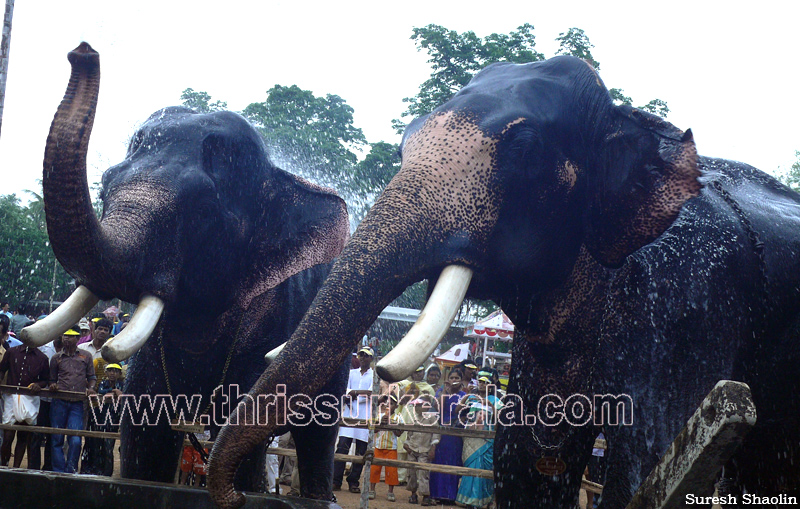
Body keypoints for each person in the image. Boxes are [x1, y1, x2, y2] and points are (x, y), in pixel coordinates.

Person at [49, 327, 97, 473]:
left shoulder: (86, 356)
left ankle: (71, 469)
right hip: (59, 401)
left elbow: (92, 377)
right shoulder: (56, 358)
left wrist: (91, 388)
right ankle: (59, 470)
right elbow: (52, 379)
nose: (67, 339)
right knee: (57, 438)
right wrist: (53, 385)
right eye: (65, 336)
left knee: (75, 440)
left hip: (77, 402)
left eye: (70, 336)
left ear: (77, 339)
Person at [0, 340, 50, 467]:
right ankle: (4, 465)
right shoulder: (12, 352)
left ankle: (16, 468)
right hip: (11, 397)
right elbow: (1, 370)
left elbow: (45, 380)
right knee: (8, 436)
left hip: (29, 399)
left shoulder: (42, 358)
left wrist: (38, 385)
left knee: (23, 436)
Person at [332, 346, 374, 493]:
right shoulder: (351, 373)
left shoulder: (374, 376)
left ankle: (353, 481)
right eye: (361, 355)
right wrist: (355, 393)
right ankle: (336, 480)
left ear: (371, 359)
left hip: (364, 416)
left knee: (360, 452)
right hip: (349, 415)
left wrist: (354, 393)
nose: (362, 357)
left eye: (366, 355)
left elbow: (371, 393)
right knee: (342, 448)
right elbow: (344, 391)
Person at [429, 367, 466, 504]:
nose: (454, 380)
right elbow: (438, 408)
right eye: (452, 378)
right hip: (441, 433)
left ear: (461, 380)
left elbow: (460, 412)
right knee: (438, 461)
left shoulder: (464, 395)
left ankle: (450, 495)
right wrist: (445, 392)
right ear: (448, 380)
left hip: (455, 434)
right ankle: (436, 494)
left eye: (457, 378)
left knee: (453, 462)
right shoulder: (441, 392)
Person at [455, 408, 495, 508]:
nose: (482, 416)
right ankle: (469, 501)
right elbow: (466, 438)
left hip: (484, 456)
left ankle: (482, 501)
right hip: (471, 455)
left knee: (483, 476)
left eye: (484, 414)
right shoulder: (469, 426)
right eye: (480, 413)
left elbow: (491, 441)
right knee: (470, 475)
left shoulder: (490, 428)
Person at [404, 395, 439, 506]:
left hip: (424, 449)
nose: (416, 408)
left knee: (423, 473)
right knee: (411, 472)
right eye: (415, 406)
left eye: (418, 406)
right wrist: (407, 444)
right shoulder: (414, 418)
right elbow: (409, 434)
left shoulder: (431, 418)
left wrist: (433, 447)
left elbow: (436, 434)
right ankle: (413, 494)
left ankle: (425, 496)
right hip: (413, 448)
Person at [369, 393, 404, 502]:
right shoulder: (378, 416)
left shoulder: (399, 418)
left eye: (392, 404)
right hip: (379, 446)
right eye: (387, 404)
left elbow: (399, 433)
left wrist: (390, 425)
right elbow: (373, 430)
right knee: (374, 468)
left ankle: (390, 492)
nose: (389, 406)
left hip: (391, 448)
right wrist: (380, 424)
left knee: (391, 470)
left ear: (396, 406)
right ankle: (372, 490)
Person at [94, 363, 124, 476]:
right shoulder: (103, 383)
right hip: (102, 416)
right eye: (110, 370)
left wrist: (113, 391)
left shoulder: (121, 384)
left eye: (115, 371)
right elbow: (101, 391)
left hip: (114, 418)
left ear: (120, 373)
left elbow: (123, 393)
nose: (112, 373)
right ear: (106, 372)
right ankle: (99, 470)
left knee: (109, 446)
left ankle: (107, 472)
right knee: (99, 444)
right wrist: (114, 391)